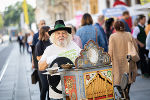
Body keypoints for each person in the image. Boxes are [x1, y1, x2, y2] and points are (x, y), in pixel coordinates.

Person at [38, 20, 81, 100]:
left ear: (67, 35)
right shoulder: (49, 49)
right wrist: (49, 60)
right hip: (57, 94)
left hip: (74, 90)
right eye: (58, 33)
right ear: (54, 35)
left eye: (63, 33)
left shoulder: (73, 45)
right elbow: (40, 67)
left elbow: (83, 56)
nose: (61, 35)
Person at [108, 21, 139, 100]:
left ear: (115, 27)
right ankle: (126, 97)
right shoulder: (129, 35)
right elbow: (136, 48)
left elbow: (110, 53)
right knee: (127, 88)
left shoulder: (112, 37)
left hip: (117, 66)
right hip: (129, 65)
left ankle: (125, 97)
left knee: (120, 89)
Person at [35, 26, 51, 100]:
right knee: (45, 87)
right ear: (44, 32)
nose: (50, 33)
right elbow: (38, 58)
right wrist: (48, 55)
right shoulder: (39, 44)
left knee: (50, 88)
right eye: (48, 31)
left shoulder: (50, 41)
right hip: (43, 69)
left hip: (50, 68)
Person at [32, 20, 46, 91]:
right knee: (41, 82)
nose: (43, 25)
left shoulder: (47, 33)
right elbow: (33, 50)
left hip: (47, 61)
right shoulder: (35, 35)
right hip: (38, 60)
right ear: (38, 25)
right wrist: (33, 62)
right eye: (41, 24)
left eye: (44, 23)